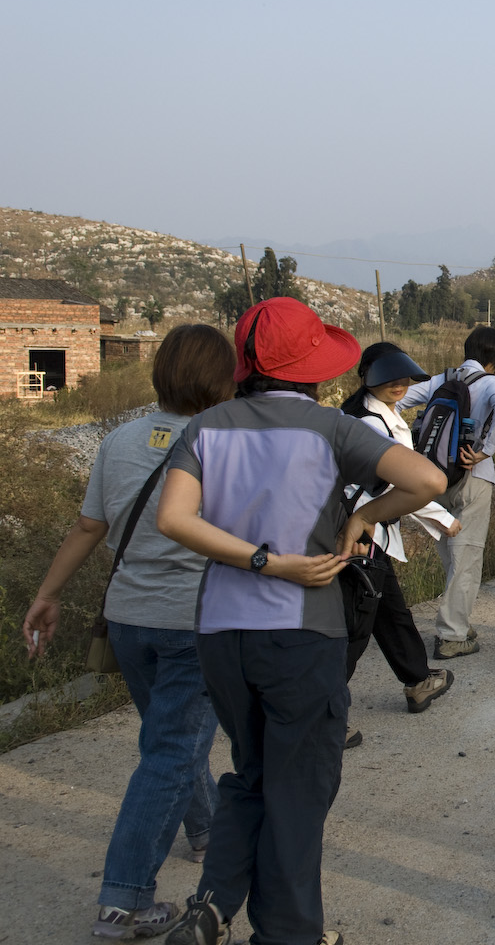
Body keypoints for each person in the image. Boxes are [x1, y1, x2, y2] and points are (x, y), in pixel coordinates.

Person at [157, 297, 446, 945]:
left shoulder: (206, 428)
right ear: (312, 366)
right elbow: (427, 479)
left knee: (252, 772)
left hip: (220, 632)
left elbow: (173, 519)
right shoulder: (328, 429)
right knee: (299, 784)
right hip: (300, 633)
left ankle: (211, 906)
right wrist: (362, 518)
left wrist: (257, 559)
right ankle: (288, 933)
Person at [21, 324, 235, 941]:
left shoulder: (119, 439)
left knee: (169, 741)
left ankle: (206, 830)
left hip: (128, 620)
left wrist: (47, 594)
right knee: (171, 751)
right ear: (223, 378)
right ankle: (125, 900)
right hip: (193, 620)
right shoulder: (224, 442)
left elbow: (89, 527)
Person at [338, 343, 460, 744]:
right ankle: (323, 713)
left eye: (404, 377)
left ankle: (418, 679)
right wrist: (443, 518)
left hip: (369, 530)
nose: (399, 384)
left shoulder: (374, 414)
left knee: (387, 609)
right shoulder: (370, 424)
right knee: (356, 626)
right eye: (389, 377)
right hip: (361, 532)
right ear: (366, 378)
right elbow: (400, 484)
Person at [399, 326, 495, 659]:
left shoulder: (442, 379)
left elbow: (399, 400)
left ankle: (457, 620)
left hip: (436, 478)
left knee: (451, 556)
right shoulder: (490, 383)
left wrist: (404, 446)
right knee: (467, 557)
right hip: (473, 477)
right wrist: (485, 450)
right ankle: (451, 634)